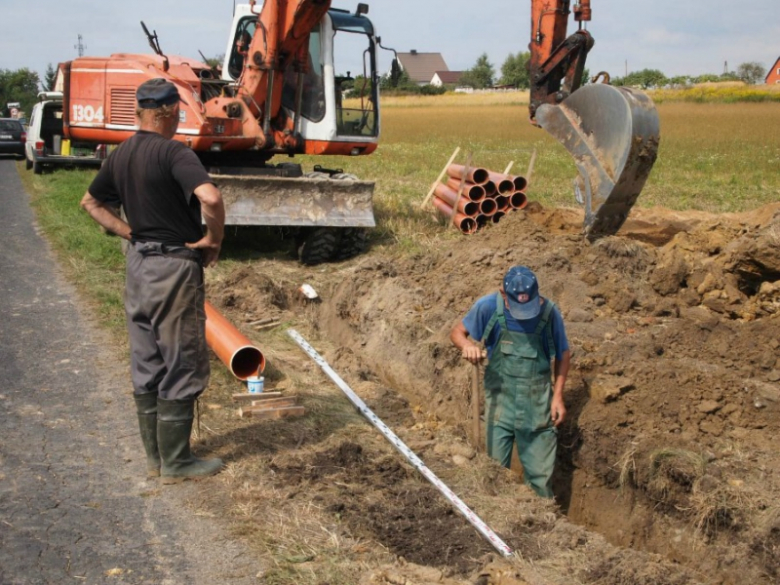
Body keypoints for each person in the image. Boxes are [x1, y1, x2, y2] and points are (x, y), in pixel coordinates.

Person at [80, 78, 226, 484]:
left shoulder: (121, 154)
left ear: (139, 112)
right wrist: (214, 238)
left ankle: (155, 459)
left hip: (138, 265)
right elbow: (211, 197)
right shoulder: (174, 152)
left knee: (147, 358)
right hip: (173, 268)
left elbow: (90, 202)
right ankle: (178, 463)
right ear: (172, 113)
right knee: (182, 359)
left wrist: (129, 232)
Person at [450, 266, 571, 498]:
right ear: (503, 294)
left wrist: (558, 396)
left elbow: (563, 354)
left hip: (537, 408)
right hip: (500, 405)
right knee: (494, 474)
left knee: (540, 482)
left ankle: (540, 518)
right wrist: (467, 346)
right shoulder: (488, 307)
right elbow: (457, 332)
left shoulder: (549, 313)